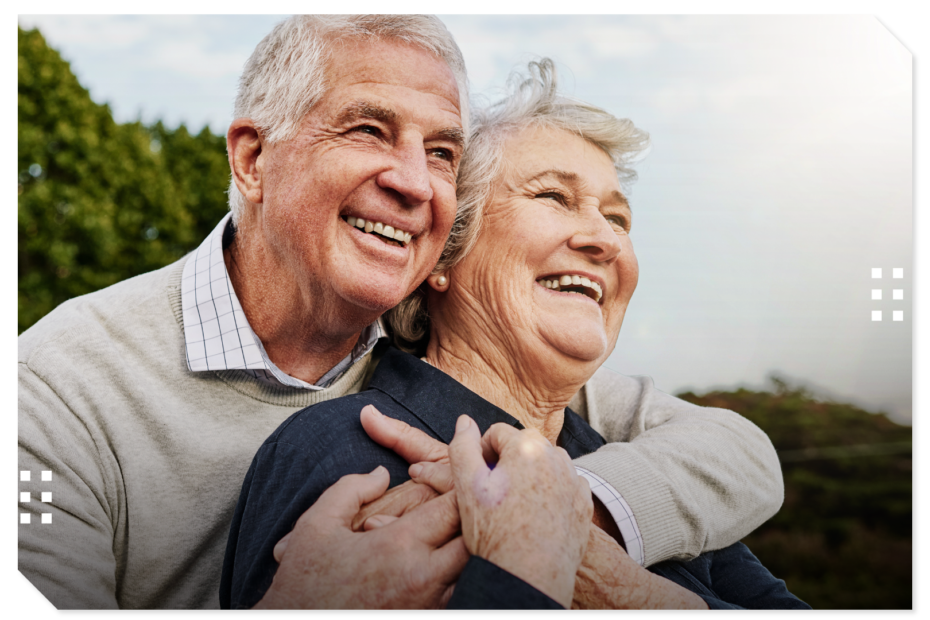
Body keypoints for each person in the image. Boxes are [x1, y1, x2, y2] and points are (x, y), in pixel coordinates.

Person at [17, 15, 781, 610]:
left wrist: (573, 519)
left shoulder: (508, 386)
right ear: (252, 160)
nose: (415, 184)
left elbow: (733, 450)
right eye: (368, 129)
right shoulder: (55, 391)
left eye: (444, 152)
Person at [221, 59, 809, 609]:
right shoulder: (345, 454)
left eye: (619, 218)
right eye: (554, 196)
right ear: (445, 255)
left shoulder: (635, 480)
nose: (604, 241)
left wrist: (624, 589)